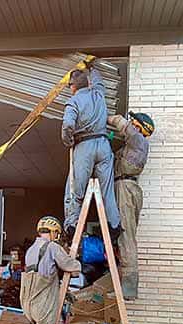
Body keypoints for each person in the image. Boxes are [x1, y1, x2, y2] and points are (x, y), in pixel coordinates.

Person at [62, 58, 121, 243]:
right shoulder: (98, 93)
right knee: (107, 191)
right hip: (104, 145)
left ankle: (72, 226)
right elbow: (98, 80)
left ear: (72, 86)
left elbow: (68, 125)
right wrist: (92, 67)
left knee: (75, 189)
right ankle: (114, 226)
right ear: (88, 83)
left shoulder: (74, 101)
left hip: (84, 147)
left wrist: (68, 140)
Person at [108, 111, 155, 300]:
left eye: (133, 122)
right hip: (126, 187)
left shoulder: (138, 140)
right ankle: (123, 285)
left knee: (126, 237)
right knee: (123, 236)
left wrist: (103, 115)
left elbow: (122, 124)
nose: (130, 122)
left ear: (138, 126)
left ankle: (128, 288)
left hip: (127, 189)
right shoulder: (134, 145)